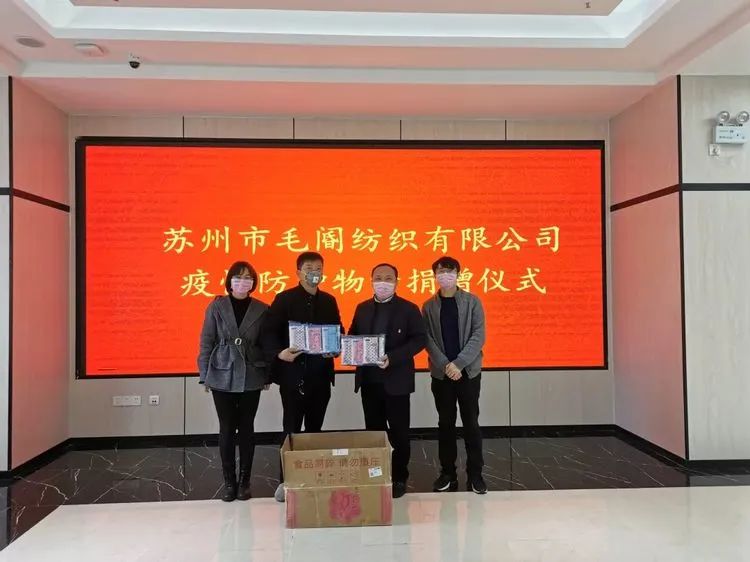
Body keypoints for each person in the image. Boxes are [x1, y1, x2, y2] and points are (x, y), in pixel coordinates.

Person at [261, 252, 342, 503]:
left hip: (321, 377)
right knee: (292, 430)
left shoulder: (328, 300)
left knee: (315, 430)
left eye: (318, 268)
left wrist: (336, 347)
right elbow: (268, 333)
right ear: (298, 272)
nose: (314, 272)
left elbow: (337, 330)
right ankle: (286, 481)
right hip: (293, 377)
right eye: (309, 268)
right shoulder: (284, 299)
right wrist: (279, 353)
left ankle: (314, 478)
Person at [349, 263, 426, 499]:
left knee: (400, 433)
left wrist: (393, 357)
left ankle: (400, 476)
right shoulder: (362, 308)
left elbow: (419, 340)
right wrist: (347, 348)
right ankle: (377, 474)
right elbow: (353, 335)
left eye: (388, 278)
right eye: (378, 278)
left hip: (397, 382)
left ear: (396, 282)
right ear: (371, 281)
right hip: (369, 381)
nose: (383, 282)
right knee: (374, 432)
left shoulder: (409, 309)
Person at [198, 261, 270, 502]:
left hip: (252, 373)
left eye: (248, 277)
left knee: (247, 427)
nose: (243, 281)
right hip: (221, 371)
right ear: (229, 281)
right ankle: (229, 482)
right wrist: (204, 374)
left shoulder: (262, 309)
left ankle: (244, 482)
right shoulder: (216, 306)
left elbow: (266, 344)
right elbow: (206, 341)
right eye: (238, 277)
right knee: (227, 427)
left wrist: (267, 375)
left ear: (254, 282)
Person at [422, 256, 487, 495]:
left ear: (458, 274)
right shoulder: (428, 306)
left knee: (471, 423)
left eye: (450, 271)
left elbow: (478, 335)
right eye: (441, 271)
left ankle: (476, 474)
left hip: (468, 373)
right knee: (445, 424)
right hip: (442, 375)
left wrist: (459, 364)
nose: (445, 275)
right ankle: (447, 473)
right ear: (434, 276)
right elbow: (427, 339)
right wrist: (445, 365)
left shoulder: (472, 301)